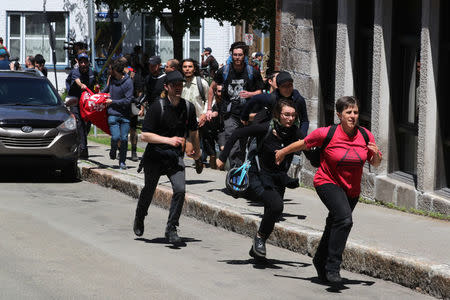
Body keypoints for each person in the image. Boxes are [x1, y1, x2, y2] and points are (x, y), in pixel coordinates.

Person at [275, 96, 382, 283]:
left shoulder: (365, 135)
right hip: (327, 182)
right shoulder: (327, 133)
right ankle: (333, 267)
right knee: (344, 220)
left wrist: (376, 156)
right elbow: (303, 143)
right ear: (339, 115)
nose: (353, 116)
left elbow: (375, 162)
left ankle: (320, 259)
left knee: (335, 223)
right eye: (348, 112)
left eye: (355, 112)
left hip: (352, 190)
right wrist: (283, 152)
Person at [216, 99, 302, 258]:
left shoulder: (295, 132)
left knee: (273, 211)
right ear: (278, 115)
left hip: (278, 178)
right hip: (259, 174)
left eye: (293, 115)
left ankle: (257, 247)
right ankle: (260, 238)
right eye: (286, 115)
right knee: (276, 206)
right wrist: (222, 158)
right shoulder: (265, 128)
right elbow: (237, 133)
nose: (290, 119)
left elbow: (308, 146)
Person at [133, 70, 201, 243]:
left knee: (180, 190)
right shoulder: (158, 107)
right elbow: (145, 136)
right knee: (149, 190)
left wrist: (198, 154)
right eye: (174, 85)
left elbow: (194, 132)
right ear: (166, 87)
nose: (178, 88)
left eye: (180, 85)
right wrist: (168, 140)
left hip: (174, 157)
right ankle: (140, 216)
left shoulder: (188, 107)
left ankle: (171, 228)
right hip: (155, 156)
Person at [206, 41, 264, 167]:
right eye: (235, 55)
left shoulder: (252, 72)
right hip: (230, 114)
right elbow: (211, 88)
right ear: (232, 55)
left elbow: (261, 91)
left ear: (245, 56)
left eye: (240, 55)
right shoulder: (224, 71)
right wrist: (209, 109)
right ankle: (235, 173)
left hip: (248, 115)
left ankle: (241, 174)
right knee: (234, 144)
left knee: (243, 145)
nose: (237, 57)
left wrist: (250, 94)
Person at [241, 71, 309, 139]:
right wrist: (244, 117)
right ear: (278, 87)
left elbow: (304, 120)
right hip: (271, 133)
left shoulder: (298, 100)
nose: (287, 89)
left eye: (290, 85)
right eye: (284, 86)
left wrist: (302, 137)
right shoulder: (272, 98)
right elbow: (254, 99)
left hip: (291, 133)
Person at [103, 59, 134, 170]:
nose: (109, 70)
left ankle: (122, 162)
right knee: (115, 137)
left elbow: (128, 100)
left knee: (124, 139)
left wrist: (113, 101)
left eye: (110, 69)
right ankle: (113, 150)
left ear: (116, 70)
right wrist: (97, 96)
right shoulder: (111, 79)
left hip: (125, 115)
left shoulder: (128, 82)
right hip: (113, 114)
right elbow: (105, 91)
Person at [180, 58, 209, 173]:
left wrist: (204, 114)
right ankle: (178, 170)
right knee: (180, 147)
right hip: (181, 121)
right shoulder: (179, 83)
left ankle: (198, 159)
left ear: (194, 68)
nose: (187, 69)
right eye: (185, 67)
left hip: (196, 121)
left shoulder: (201, 83)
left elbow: (209, 100)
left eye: (190, 67)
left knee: (190, 151)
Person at [66, 53, 96, 159]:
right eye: (81, 62)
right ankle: (83, 148)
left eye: (85, 62)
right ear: (78, 63)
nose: (83, 64)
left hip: (86, 101)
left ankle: (81, 143)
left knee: (87, 125)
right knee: (79, 124)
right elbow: (77, 80)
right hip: (75, 100)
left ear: (88, 62)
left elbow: (95, 85)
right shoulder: (75, 71)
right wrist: (81, 85)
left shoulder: (92, 72)